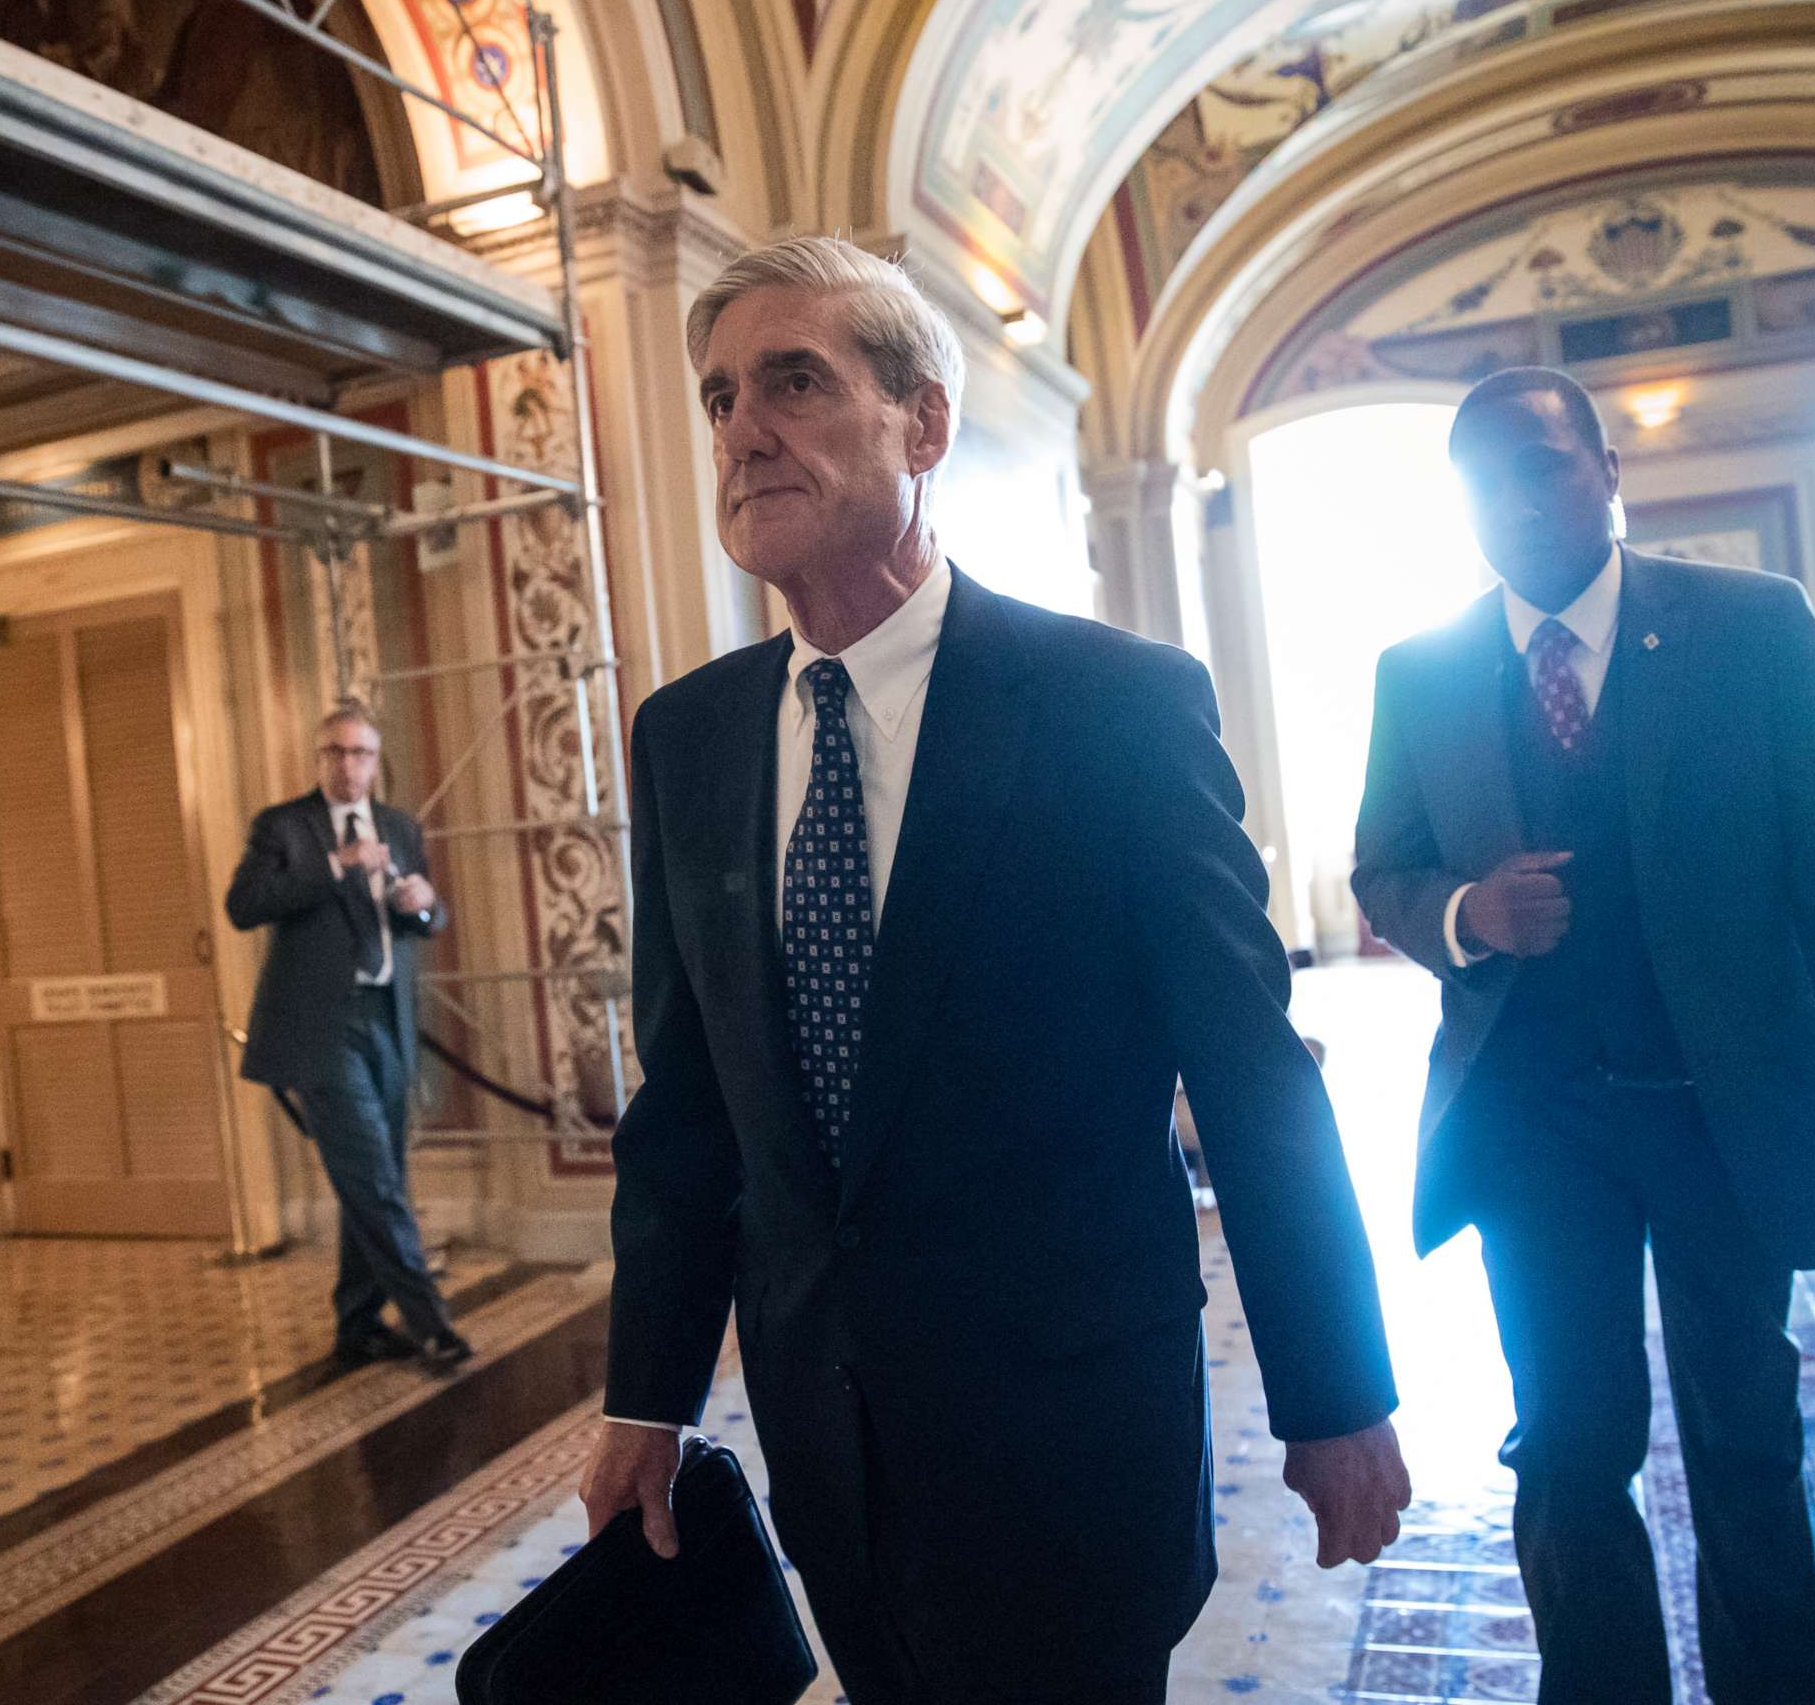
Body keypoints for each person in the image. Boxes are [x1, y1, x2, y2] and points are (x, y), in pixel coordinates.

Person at [578, 235, 1410, 1705]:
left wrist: (1335, 1391)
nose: (743, 430)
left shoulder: (1112, 708)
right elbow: (689, 1105)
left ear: (925, 422)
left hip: (1069, 1430)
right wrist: (646, 1392)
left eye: (794, 381)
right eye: (717, 398)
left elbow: (1250, 1069)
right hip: (827, 1438)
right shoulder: (688, 740)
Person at [1351, 366, 1815, 1703]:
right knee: (1567, 1448)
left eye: (1544, 466)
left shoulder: (1756, 629)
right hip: (1535, 1128)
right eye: (1484, 481)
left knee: (1744, 1436)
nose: (1516, 500)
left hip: (1725, 1111)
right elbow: (1382, 871)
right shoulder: (1424, 671)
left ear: (1608, 473)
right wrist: (1464, 912)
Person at [226, 700, 470, 1371]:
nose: (348, 764)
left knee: (376, 1174)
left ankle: (358, 1324)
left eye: (361, 753)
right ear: (318, 758)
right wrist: (336, 866)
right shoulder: (284, 826)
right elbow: (243, 906)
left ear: (375, 760)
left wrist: (425, 908)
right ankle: (432, 1324)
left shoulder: (399, 826)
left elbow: (427, 919)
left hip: (385, 1022)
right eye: (335, 751)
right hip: (319, 1028)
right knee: (372, 1176)